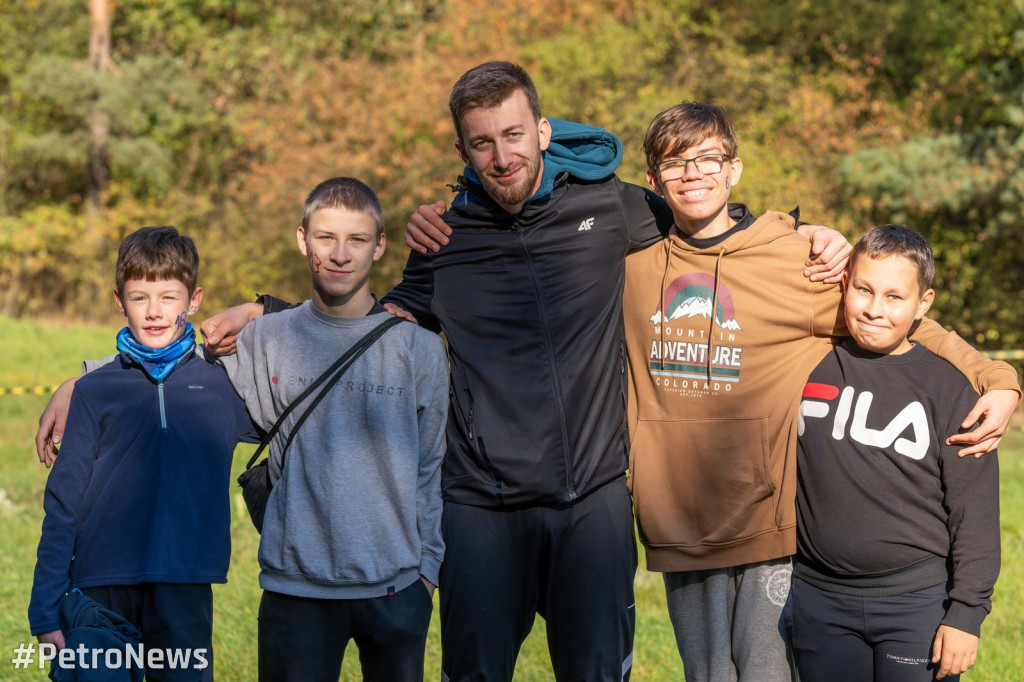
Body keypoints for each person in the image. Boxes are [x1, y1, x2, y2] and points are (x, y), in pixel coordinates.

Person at [620, 102, 1017, 681]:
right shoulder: (631, 267)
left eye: (709, 158)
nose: (694, 174)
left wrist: (997, 378)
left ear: (734, 168)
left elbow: (889, 315)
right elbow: (539, 155)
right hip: (681, 521)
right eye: (676, 164)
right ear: (654, 181)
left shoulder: (791, 260)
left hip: (770, 525)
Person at [214, 177, 449, 680]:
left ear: (379, 247)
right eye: (326, 238)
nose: (340, 255)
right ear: (303, 240)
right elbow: (172, 374)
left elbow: (432, 467)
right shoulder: (265, 338)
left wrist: (426, 571)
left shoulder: (418, 349)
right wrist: (79, 385)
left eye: (357, 240)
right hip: (295, 591)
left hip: (396, 588)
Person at [28, 226, 260, 681]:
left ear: (194, 300)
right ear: (119, 300)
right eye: (139, 298)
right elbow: (62, 505)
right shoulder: (93, 393)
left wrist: (257, 310)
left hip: (186, 584)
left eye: (169, 298)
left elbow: (303, 357)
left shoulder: (223, 388)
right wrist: (45, 608)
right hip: (100, 588)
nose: (154, 312)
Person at [791, 224, 1000, 681]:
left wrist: (965, 614)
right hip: (818, 600)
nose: (873, 309)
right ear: (844, 284)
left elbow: (975, 512)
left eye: (894, 297)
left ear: (923, 303)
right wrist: (803, 229)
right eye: (863, 290)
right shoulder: (808, 361)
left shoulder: (949, 389)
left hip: (918, 605)